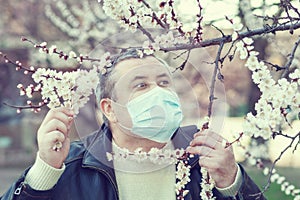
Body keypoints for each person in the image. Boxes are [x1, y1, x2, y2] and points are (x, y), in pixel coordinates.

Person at [1, 49, 265, 200]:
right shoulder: (71, 165)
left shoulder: (204, 157)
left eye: (164, 83)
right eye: (141, 85)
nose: (159, 93)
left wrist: (232, 182)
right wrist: (43, 172)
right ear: (110, 109)